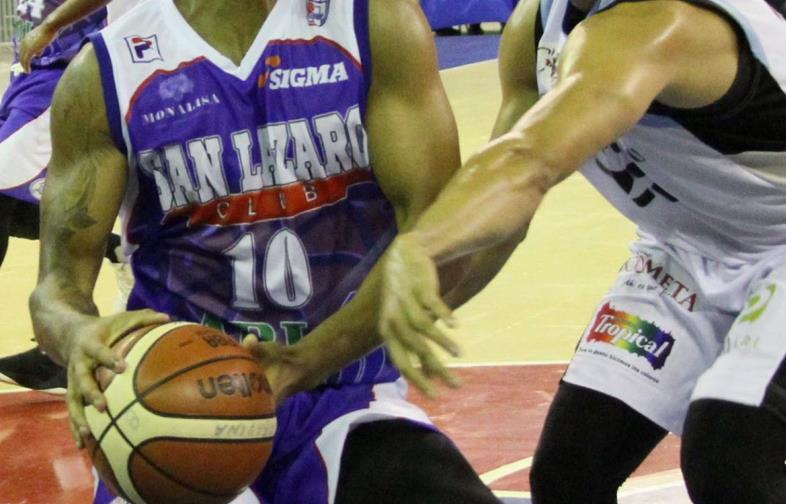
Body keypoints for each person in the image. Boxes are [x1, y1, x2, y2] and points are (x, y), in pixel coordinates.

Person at [376, 0, 786, 503]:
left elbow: (526, 162)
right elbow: (503, 211)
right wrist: (357, 342)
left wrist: (421, 244)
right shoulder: (537, 26)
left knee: (733, 456)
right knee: (569, 472)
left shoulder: (661, 22)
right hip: (686, 249)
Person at [29, 0, 502, 503]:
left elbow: (441, 233)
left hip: (344, 394)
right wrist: (78, 335)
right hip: (170, 405)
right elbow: (56, 290)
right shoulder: (108, 74)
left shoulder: (373, 23)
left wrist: (303, 362)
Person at [0, 0, 136, 394]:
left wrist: (55, 24)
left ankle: (59, 353)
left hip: (67, 69)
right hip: (29, 71)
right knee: (34, 205)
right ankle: (119, 253)